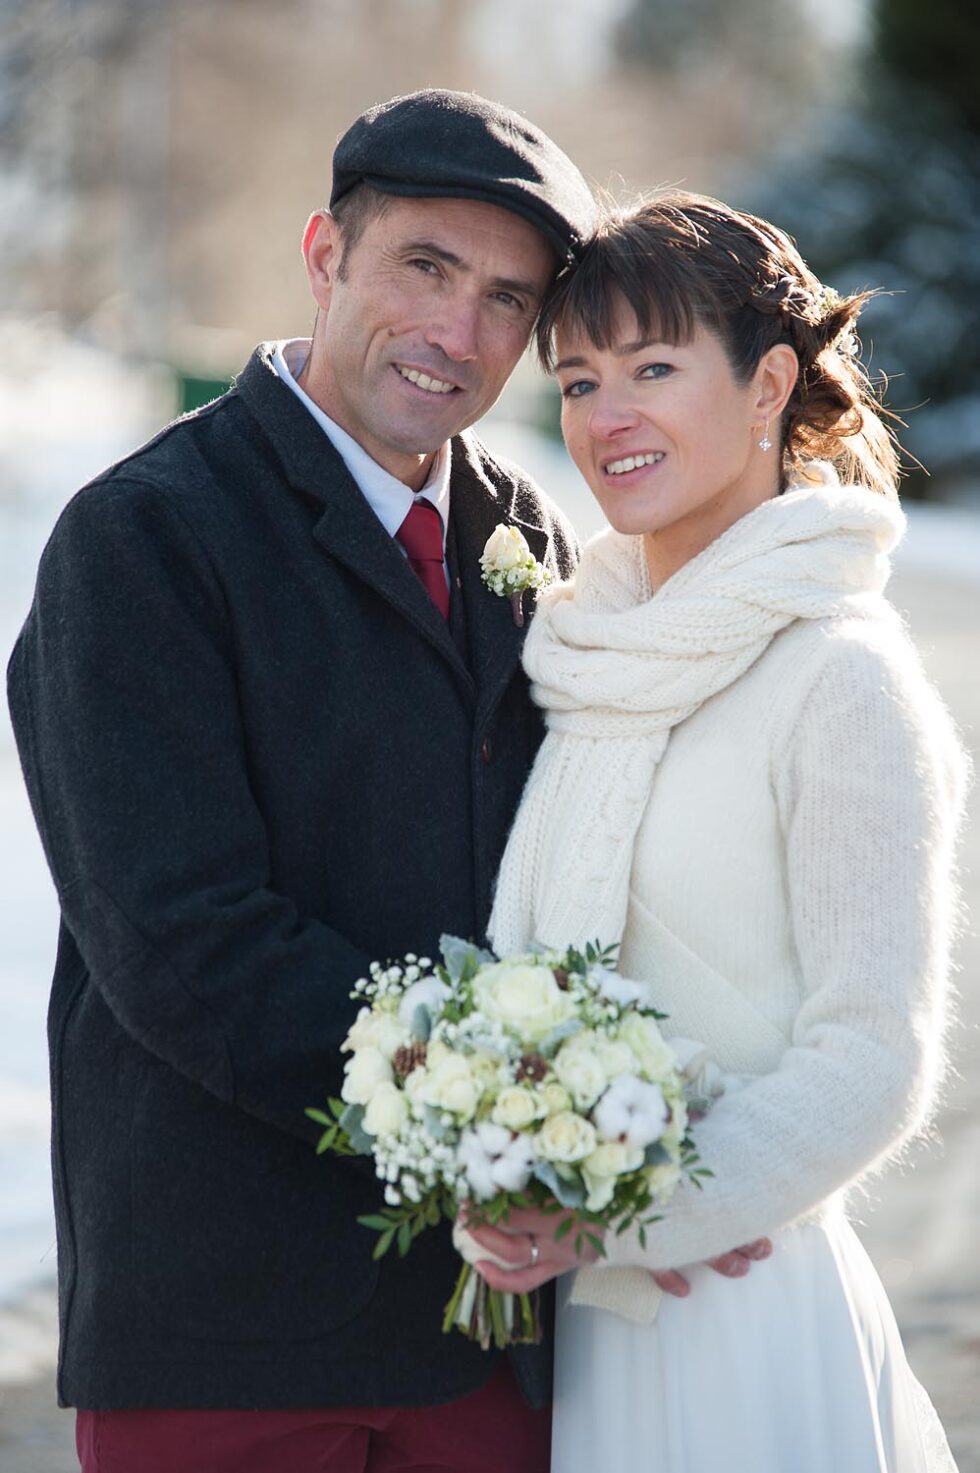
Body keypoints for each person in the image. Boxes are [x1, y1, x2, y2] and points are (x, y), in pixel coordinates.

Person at [6, 89, 603, 1473]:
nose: (459, 333)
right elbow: (182, 938)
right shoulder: (143, 541)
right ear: (325, 256)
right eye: (425, 269)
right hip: (230, 1319)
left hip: (486, 1333)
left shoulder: (531, 536)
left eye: (508, 301)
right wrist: (483, 1116)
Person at [468, 191, 968, 1471]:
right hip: (571, 1344)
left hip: (737, 1324)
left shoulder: (838, 677)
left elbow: (869, 1057)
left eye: (651, 367)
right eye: (577, 382)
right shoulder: (586, 658)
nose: (605, 416)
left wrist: (626, 1215)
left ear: (767, 386)